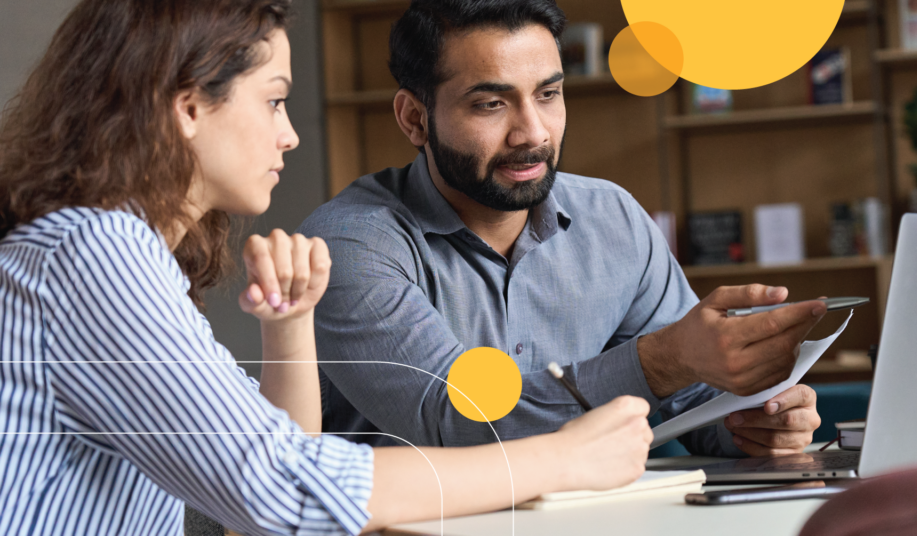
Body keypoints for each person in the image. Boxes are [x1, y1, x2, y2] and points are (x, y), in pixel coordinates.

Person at [0, 1, 655, 534]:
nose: (290, 135)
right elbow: (283, 490)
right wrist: (562, 458)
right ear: (190, 106)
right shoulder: (94, 252)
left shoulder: (102, 254)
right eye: (274, 100)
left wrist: (289, 328)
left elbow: (263, 497)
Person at [298, 0, 824, 458]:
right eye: (491, 104)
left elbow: (695, 401)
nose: (532, 133)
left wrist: (757, 420)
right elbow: (451, 422)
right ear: (414, 118)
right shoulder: (352, 244)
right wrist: (664, 360)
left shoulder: (612, 219)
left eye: (547, 95)